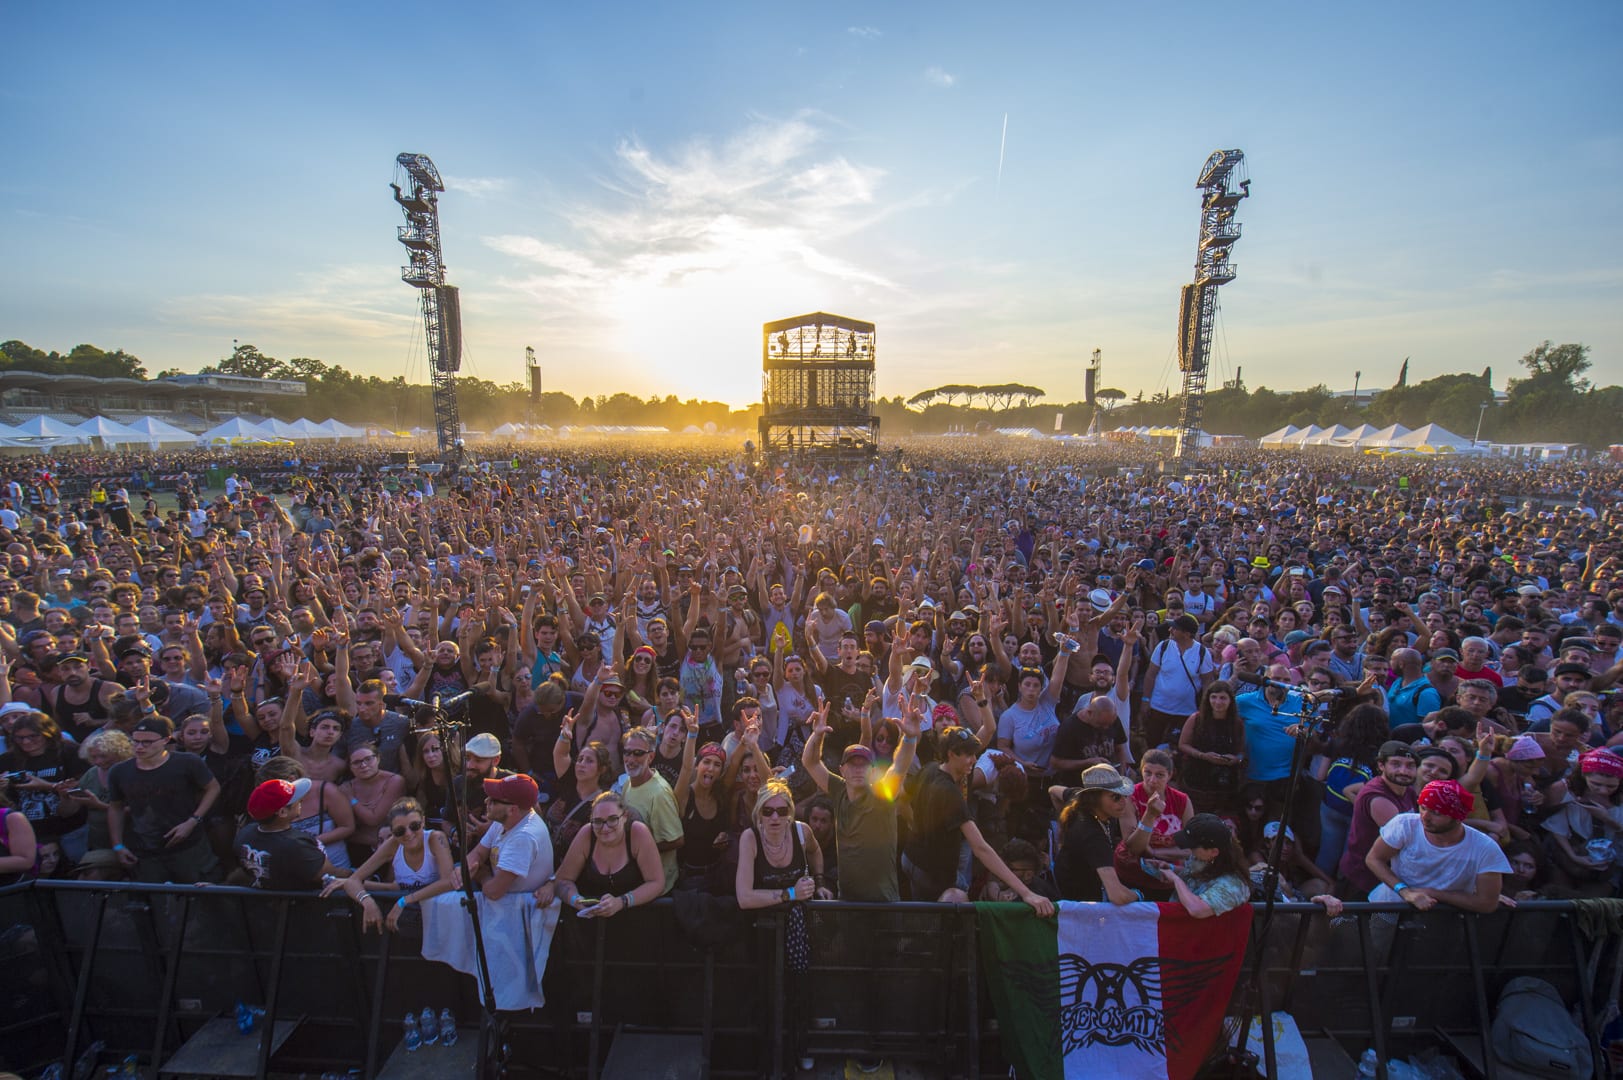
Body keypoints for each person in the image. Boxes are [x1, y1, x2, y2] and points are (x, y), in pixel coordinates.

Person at [901, 725, 1054, 913]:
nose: (974, 760)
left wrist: (915, 824)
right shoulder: (950, 793)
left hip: (910, 860)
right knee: (957, 901)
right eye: (968, 755)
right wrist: (1027, 893)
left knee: (920, 915)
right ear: (951, 754)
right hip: (932, 873)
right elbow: (981, 848)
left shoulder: (930, 768)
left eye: (974, 754)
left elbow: (901, 795)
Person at [800, 696, 921, 902]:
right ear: (842, 770)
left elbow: (899, 766)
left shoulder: (882, 793)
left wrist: (909, 738)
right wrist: (817, 734)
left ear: (872, 770)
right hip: (847, 902)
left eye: (863, 764)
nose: (858, 769)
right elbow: (810, 762)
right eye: (852, 764)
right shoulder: (839, 790)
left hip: (883, 903)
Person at [1364, 779, 1511, 912]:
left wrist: (1433, 894)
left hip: (1444, 917)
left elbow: (1487, 904)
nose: (1425, 817)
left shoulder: (1485, 848)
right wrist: (1405, 892)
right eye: (1422, 807)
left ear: (1457, 817)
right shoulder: (1404, 824)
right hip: (1388, 907)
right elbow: (1374, 859)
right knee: (1377, 934)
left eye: (1436, 813)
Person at [107, 716, 221, 883]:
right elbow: (115, 807)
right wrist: (118, 845)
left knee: (198, 891)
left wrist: (193, 821)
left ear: (165, 740)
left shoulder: (187, 763)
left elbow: (213, 788)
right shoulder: (119, 771)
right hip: (145, 850)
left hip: (189, 846)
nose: (139, 747)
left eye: (147, 742)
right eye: (135, 741)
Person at [326, 796, 457, 930]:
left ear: (423, 821)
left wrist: (405, 900)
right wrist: (367, 901)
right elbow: (353, 881)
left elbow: (448, 882)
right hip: (409, 918)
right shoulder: (393, 844)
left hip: (441, 914)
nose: (408, 834)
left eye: (414, 826)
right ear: (393, 832)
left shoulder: (435, 838)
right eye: (400, 831)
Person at [548, 790, 666, 918]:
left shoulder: (638, 832)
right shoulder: (587, 833)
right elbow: (562, 880)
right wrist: (576, 900)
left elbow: (656, 882)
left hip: (636, 919)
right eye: (598, 821)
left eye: (612, 819)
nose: (605, 828)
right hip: (592, 920)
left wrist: (621, 902)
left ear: (625, 816)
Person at [1050, 764, 1157, 904]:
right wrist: (1139, 895)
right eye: (1115, 797)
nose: (1124, 802)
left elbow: (1053, 790)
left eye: (1124, 795)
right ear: (1094, 798)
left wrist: (1063, 827)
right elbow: (1117, 896)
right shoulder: (1093, 837)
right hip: (1079, 899)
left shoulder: (1078, 799)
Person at [1337, 741, 1417, 896]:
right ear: (1381, 765)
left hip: (1384, 878)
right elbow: (1406, 843)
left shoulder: (1407, 790)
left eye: (1410, 766)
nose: (1403, 771)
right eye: (1396, 764)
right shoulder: (1378, 797)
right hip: (1362, 880)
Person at [614, 726, 684, 894]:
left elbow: (677, 840)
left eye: (638, 753)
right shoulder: (628, 783)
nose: (631, 759)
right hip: (634, 879)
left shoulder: (659, 794)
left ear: (651, 757)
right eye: (627, 752)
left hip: (657, 888)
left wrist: (639, 850)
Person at [1140, 614, 1215, 754]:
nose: (1170, 630)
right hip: (1158, 708)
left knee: (1178, 751)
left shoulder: (1202, 653)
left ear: (1186, 634)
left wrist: (1204, 710)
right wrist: (1145, 700)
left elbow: (1207, 683)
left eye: (1175, 628)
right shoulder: (1163, 647)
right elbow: (1150, 675)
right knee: (1152, 747)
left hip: (1186, 712)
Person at [236, 777, 326, 890]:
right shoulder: (296, 845)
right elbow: (328, 875)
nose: (301, 800)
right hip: (298, 900)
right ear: (282, 812)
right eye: (295, 799)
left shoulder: (245, 833)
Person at [1178, 680, 1246, 815]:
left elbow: (1241, 752)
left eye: (1223, 698)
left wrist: (1235, 759)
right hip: (1196, 778)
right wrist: (1203, 755)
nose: (1218, 702)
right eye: (1214, 697)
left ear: (1230, 701)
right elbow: (1183, 744)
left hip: (1224, 783)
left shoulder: (1237, 723)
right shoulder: (1196, 719)